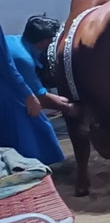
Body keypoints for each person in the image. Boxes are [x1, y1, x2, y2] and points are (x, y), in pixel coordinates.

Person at [1, 17, 66, 165]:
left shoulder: (13, 40)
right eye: (50, 41)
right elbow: (40, 96)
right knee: (38, 129)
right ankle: (35, 165)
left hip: (8, 90)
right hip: (7, 98)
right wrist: (69, 107)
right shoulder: (24, 59)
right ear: (43, 42)